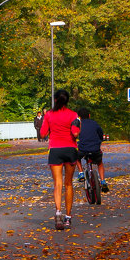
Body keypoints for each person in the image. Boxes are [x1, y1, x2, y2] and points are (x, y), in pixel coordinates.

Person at [39, 89, 81, 230]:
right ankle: (68, 218)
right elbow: (75, 133)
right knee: (68, 184)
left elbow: (43, 133)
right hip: (70, 150)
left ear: (55, 100)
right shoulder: (73, 115)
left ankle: (58, 213)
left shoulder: (49, 115)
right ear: (67, 101)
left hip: (55, 150)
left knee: (58, 184)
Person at [75, 107, 108, 193]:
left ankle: (81, 172)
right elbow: (100, 134)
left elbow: (74, 135)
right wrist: (100, 140)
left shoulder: (79, 124)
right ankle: (103, 181)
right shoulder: (94, 123)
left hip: (83, 149)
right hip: (95, 149)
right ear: (89, 115)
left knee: (76, 157)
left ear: (79, 117)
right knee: (100, 163)